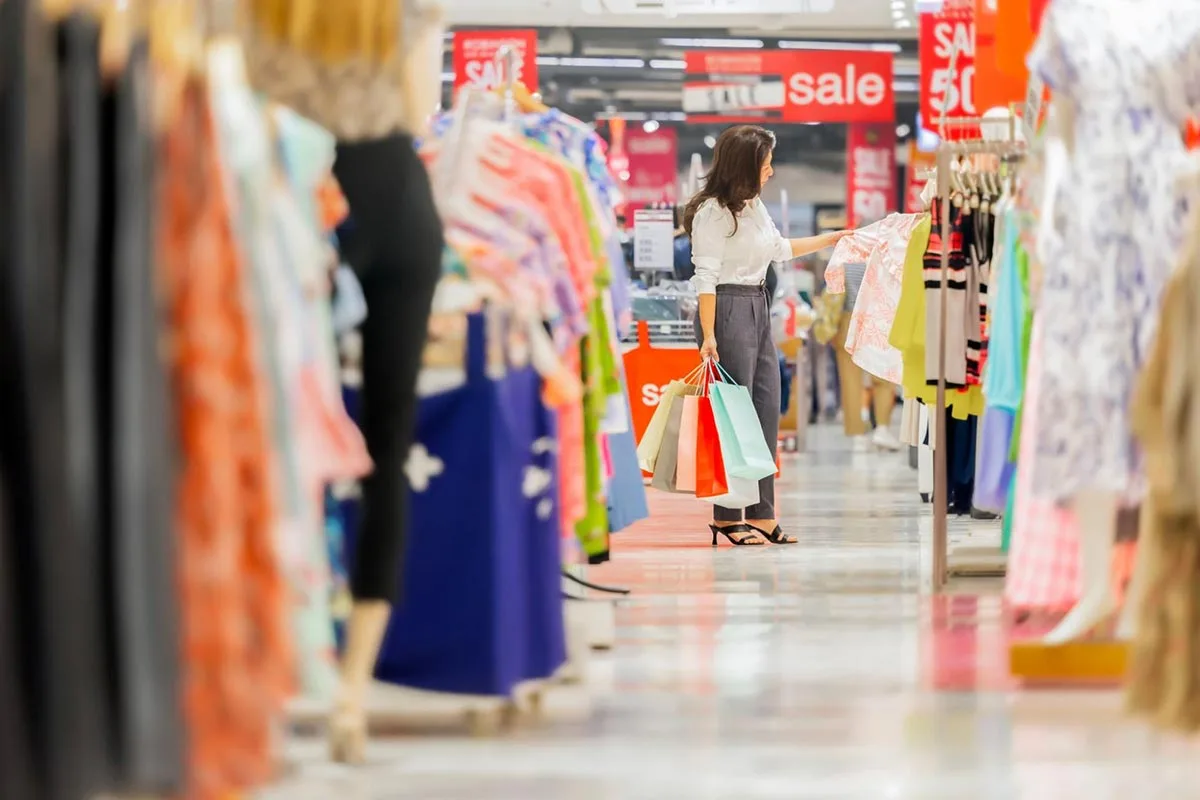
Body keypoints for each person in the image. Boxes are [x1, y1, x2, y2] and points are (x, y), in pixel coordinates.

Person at [685, 125, 852, 546]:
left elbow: (779, 248)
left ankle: (762, 511)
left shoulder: (754, 206)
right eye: (765, 163)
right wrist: (709, 335)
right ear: (745, 166)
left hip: (757, 305)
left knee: (765, 405)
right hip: (725, 310)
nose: (771, 171)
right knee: (733, 415)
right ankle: (727, 515)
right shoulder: (712, 214)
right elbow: (705, 278)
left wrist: (832, 239)